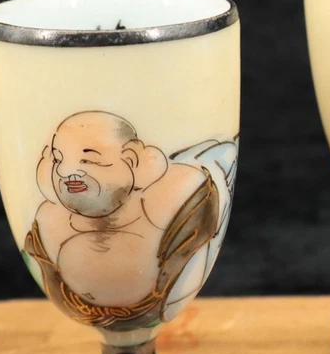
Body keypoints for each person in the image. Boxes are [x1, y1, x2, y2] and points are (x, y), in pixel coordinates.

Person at [23, 111, 233, 328]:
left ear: (131, 159)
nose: (66, 171)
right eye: (58, 159)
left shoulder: (180, 202)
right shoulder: (48, 222)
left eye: (89, 160)